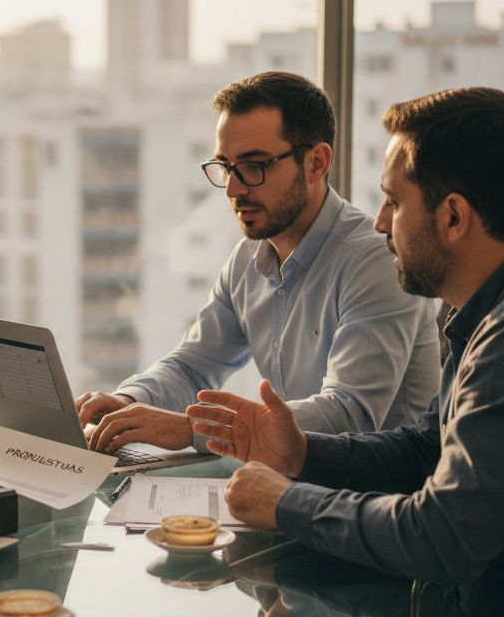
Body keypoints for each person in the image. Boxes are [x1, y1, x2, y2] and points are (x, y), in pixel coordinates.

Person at [188, 86, 504, 617]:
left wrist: (287, 503)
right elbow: (428, 447)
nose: (380, 224)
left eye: (394, 202)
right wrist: (302, 453)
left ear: (453, 217)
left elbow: (443, 538)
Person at [77, 71, 438, 457]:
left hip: (376, 500)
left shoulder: (375, 261)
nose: (234, 189)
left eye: (254, 166)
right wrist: (129, 402)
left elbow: (349, 414)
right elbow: (192, 367)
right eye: (226, 167)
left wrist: (191, 428)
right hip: (292, 486)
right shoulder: (249, 259)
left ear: (317, 162)